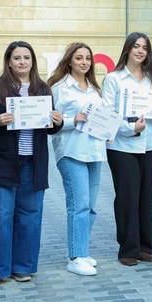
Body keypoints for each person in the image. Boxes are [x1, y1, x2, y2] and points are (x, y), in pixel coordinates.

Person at [0, 41, 63, 286]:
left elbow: (49, 128)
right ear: (9, 61)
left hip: (33, 162)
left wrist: (57, 122)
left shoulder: (42, 89)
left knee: (30, 215)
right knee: (0, 216)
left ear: (32, 61)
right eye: (17, 58)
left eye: (26, 57)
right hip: (2, 161)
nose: (22, 62)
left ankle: (23, 267)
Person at [102, 32, 152, 266]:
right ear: (127, 49)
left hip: (151, 143)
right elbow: (108, 114)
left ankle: (145, 247)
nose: (140, 51)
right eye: (136, 46)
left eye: (145, 48)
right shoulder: (114, 78)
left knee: (146, 196)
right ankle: (128, 249)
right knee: (127, 196)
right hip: (122, 145)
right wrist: (131, 128)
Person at [48, 42, 105, 276]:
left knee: (90, 207)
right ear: (69, 61)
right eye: (79, 58)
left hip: (94, 151)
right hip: (71, 151)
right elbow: (50, 123)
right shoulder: (59, 88)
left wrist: (109, 129)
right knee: (78, 204)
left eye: (88, 58)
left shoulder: (94, 88)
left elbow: (102, 118)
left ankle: (82, 250)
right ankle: (75, 257)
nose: (84, 62)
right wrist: (73, 120)